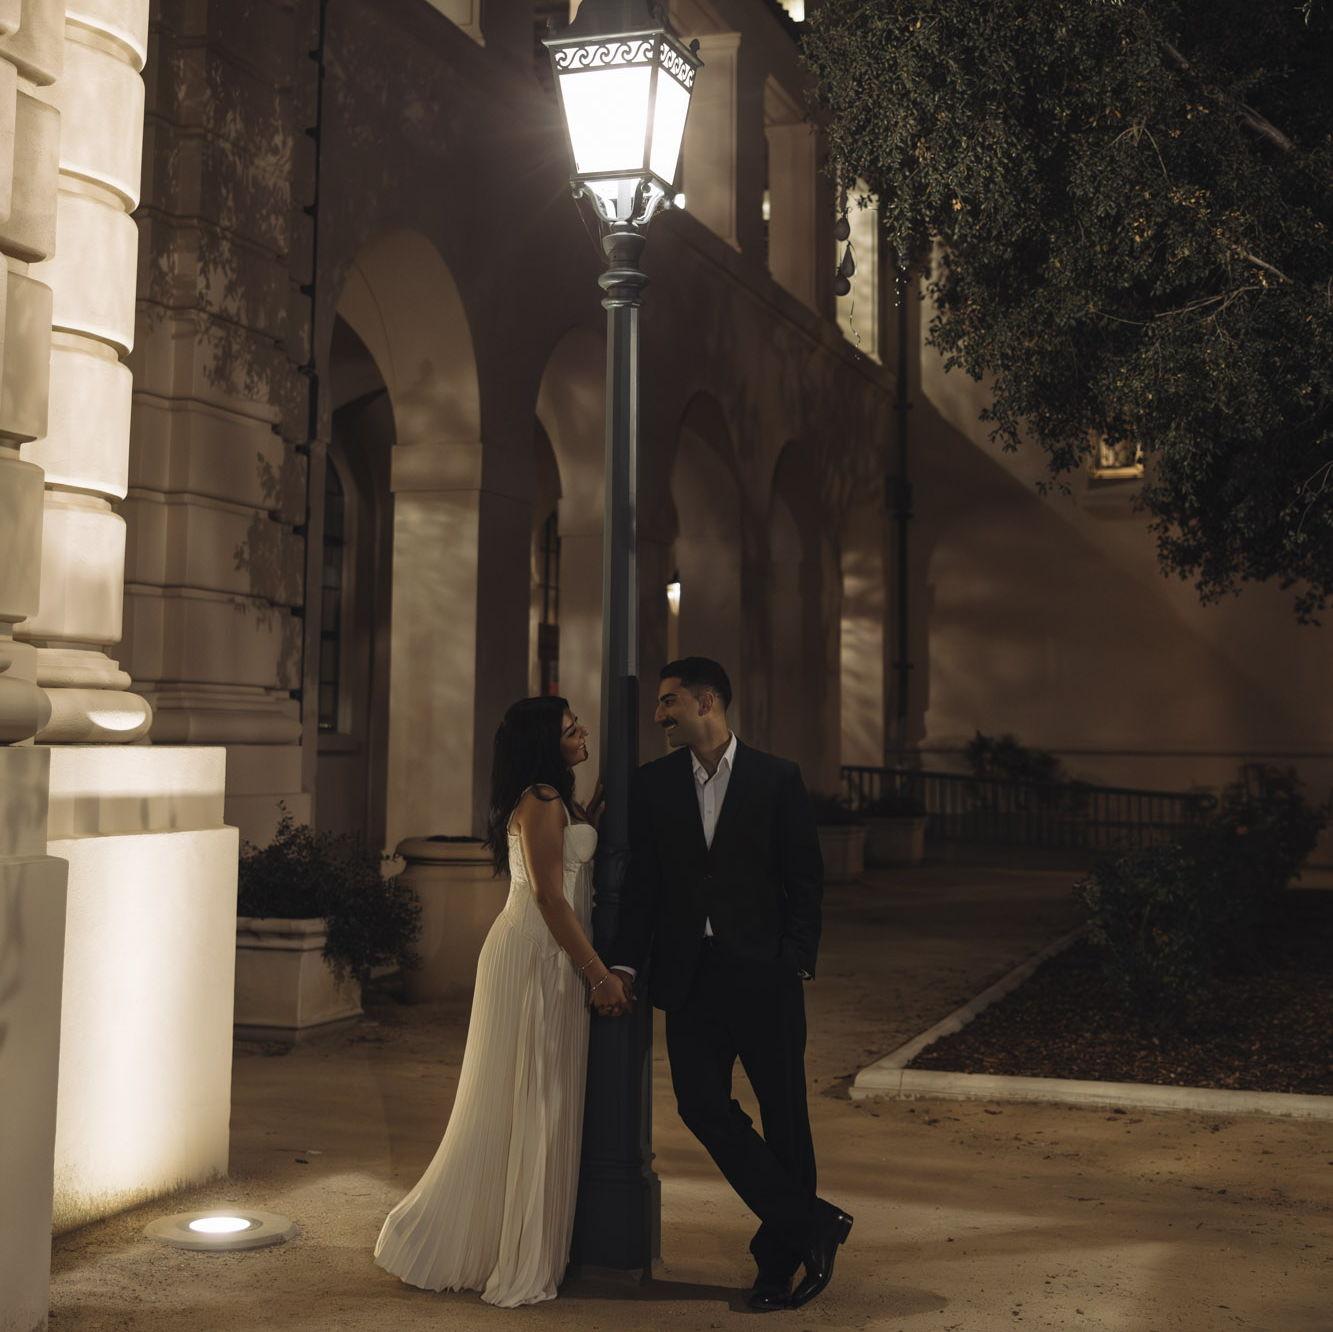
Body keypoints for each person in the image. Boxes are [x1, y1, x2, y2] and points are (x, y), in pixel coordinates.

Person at [608, 657, 852, 1312]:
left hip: (765, 976)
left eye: (669, 701)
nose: (658, 715)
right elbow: (643, 888)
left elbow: (804, 878)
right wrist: (625, 963)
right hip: (689, 978)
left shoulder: (777, 778)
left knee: (785, 1118)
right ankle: (809, 1223)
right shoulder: (653, 784)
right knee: (700, 1105)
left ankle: (777, 1267)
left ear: (706, 702)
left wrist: (794, 959)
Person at [373, 696, 629, 1307]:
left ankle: (509, 1239)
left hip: (550, 955)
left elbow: (567, 866)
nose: (583, 732)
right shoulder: (540, 799)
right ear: (545, 743)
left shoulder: (555, 798)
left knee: (536, 1097)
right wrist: (597, 974)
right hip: (535, 957)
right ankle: (507, 1251)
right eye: (570, 729)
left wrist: (591, 814)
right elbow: (549, 896)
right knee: (531, 1097)